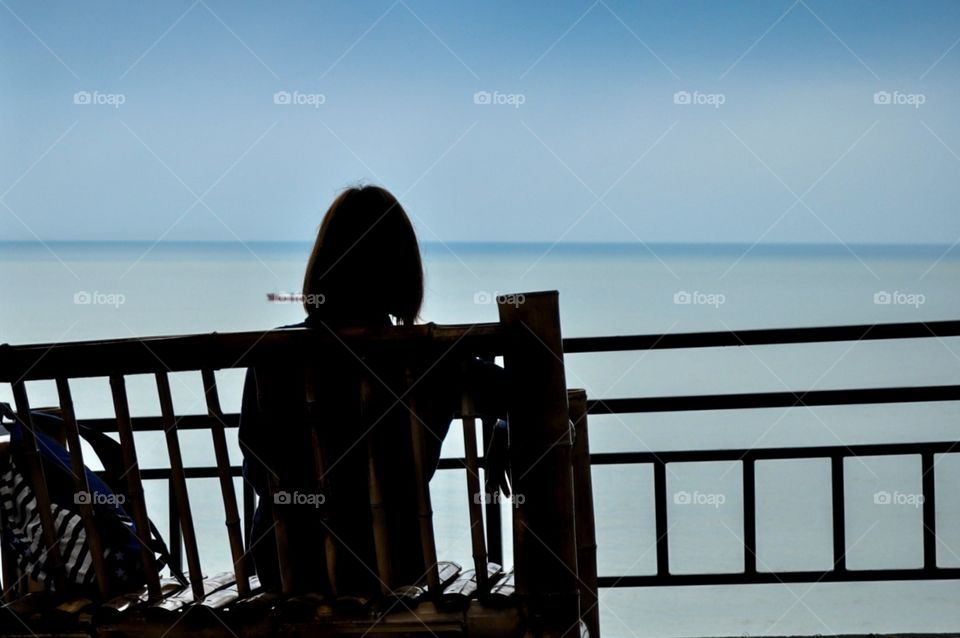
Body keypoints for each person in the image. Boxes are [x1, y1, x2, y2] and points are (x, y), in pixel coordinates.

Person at [238, 186, 507, 596]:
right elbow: (533, 394)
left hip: (289, 569)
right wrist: (503, 425)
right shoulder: (431, 359)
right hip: (396, 568)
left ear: (322, 265)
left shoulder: (274, 357)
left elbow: (258, 468)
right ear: (404, 271)